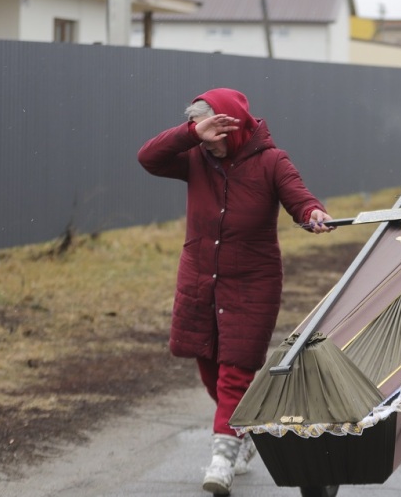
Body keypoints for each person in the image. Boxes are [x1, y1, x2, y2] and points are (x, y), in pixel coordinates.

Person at [137, 87, 333, 495]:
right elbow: (148, 157)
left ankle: (222, 458)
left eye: (214, 130)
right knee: (209, 364)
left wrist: (312, 213)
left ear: (234, 126)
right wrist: (191, 134)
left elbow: (299, 198)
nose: (210, 141)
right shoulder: (195, 155)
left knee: (236, 369)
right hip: (200, 279)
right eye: (202, 131)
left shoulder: (271, 161)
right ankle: (242, 431)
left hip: (252, 283)